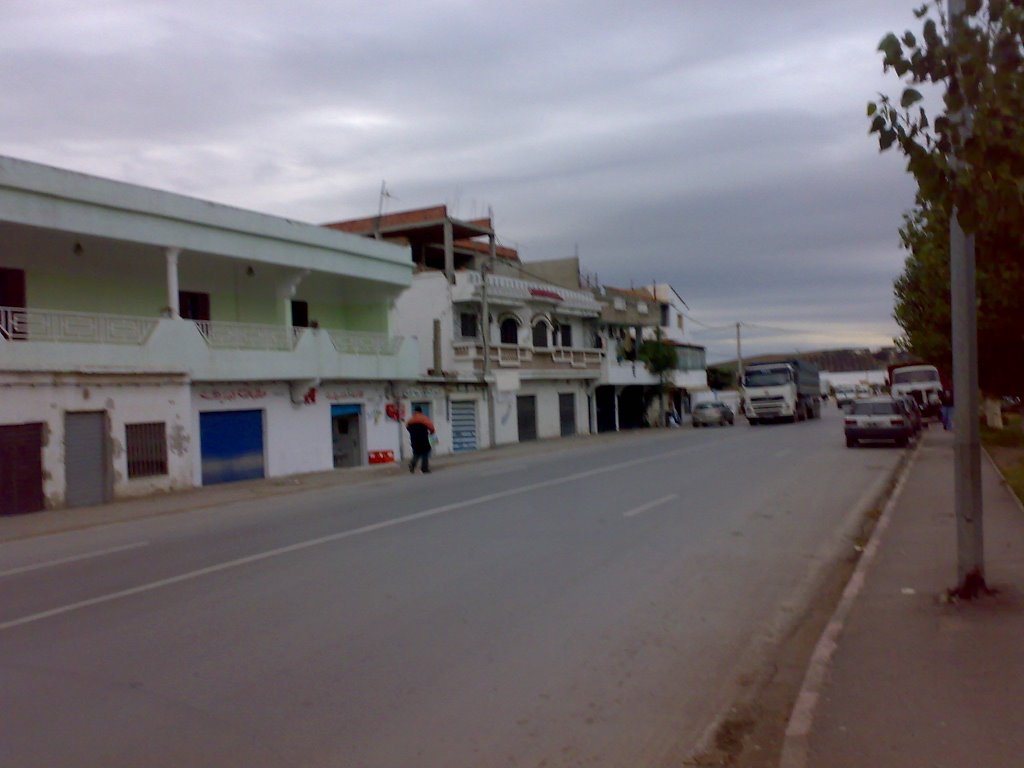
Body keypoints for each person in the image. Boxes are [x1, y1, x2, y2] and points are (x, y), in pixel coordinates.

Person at [406, 406, 436, 473]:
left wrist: (413, 433)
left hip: (414, 439)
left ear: (415, 411)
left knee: (417, 452)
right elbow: (431, 427)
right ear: (421, 411)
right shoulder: (424, 418)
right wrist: (431, 432)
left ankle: (412, 464)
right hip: (423, 438)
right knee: (425, 452)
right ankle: (424, 469)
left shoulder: (411, 419)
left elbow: (407, 427)